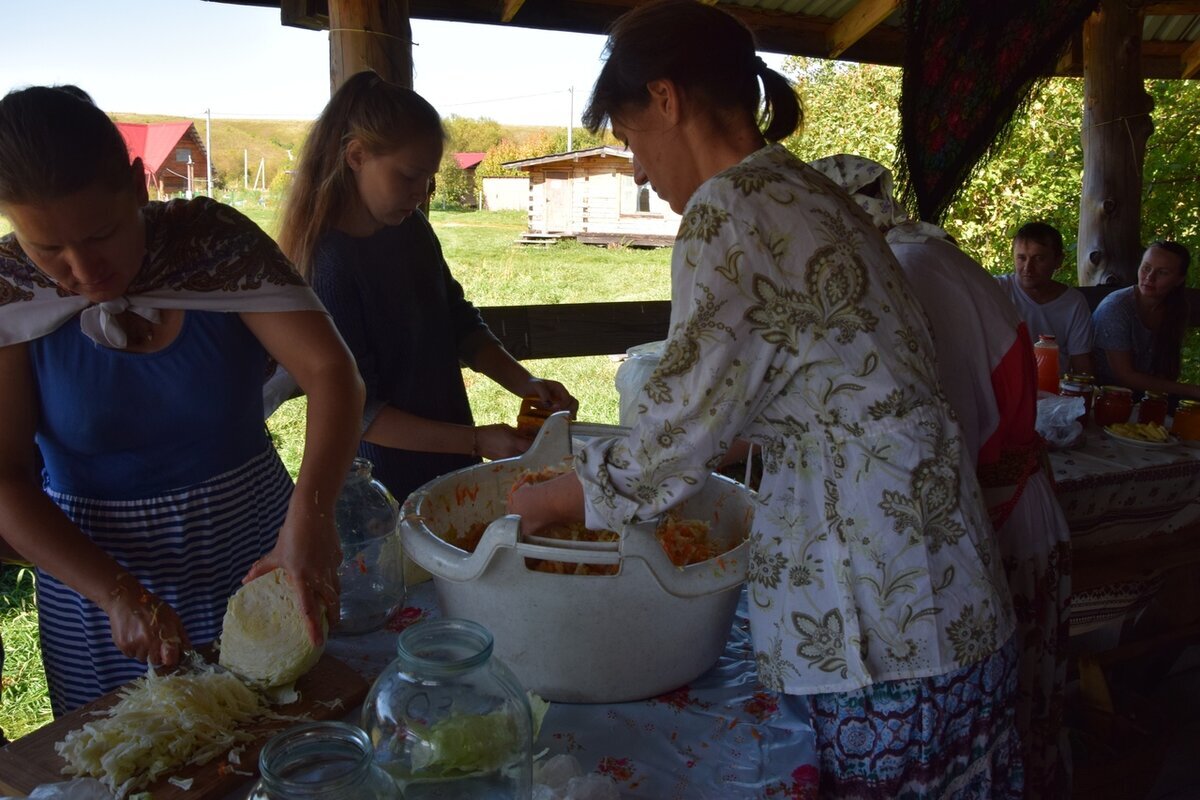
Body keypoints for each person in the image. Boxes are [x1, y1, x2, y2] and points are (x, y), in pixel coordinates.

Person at [507, 3, 1023, 796]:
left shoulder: (732, 207)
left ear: (669, 99)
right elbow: (804, 388)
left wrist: (556, 499)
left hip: (876, 622)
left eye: (633, 137)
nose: (639, 170)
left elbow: (671, 439)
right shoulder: (807, 189)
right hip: (942, 592)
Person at [0, 86, 365, 715]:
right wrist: (116, 594)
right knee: (138, 757)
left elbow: (334, 374)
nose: (83, 270)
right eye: (48, 248)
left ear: (140, 186)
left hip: (262, 562)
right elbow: (4, 476)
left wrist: (311, 517)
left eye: (103, 234)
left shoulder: (214, 246)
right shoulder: (11, 291)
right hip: (99, 591)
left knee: (283, 751)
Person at [811, 153, 1072, 799]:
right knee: (1027, 704)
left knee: (1001, 715)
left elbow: (935, 432)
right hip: (1011, 505)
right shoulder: (923, 256)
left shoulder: (901, 275)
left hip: (993, 517)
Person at [276, 71, 577, 505]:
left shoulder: (411, 228)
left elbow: (457, 321)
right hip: (380, 481)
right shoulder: (329, 264)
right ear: (356, 155)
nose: (420, 194)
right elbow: (359, 412)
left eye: (429, 180)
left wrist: (525, 381)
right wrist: (475, 440)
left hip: (449, 460)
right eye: (409, 176)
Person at [1092, 241, 1200, 399]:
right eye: (1146, 267)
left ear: (1179, 280)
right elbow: (1124, 376)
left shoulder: (1177, 308)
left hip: (1150, 397)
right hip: (1107, 397)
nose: (1150, 277)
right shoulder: (1116, 307)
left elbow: (1167, 367)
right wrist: (1191, 390)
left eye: (1162, 272)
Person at [997, 222, 1096, 377]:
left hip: (1055, 393)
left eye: (1039, 259)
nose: (1027, 267)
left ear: (1058, 261)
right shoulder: (997, 289)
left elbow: (1081, 364)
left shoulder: (1074, 303)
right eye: (1021, 258)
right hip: (1006, 388)